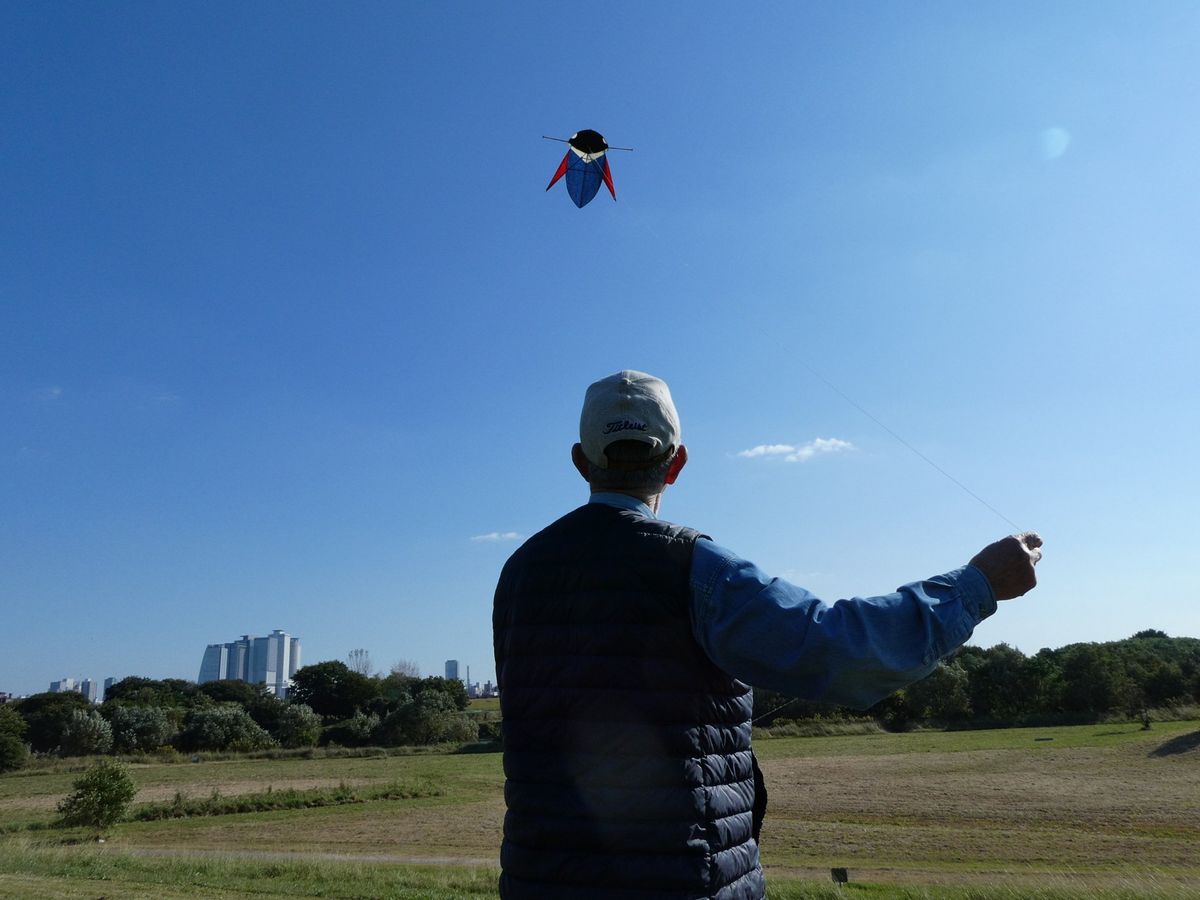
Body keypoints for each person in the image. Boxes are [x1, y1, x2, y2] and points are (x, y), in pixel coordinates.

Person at [492, 370, 1042, 900]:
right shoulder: (696, 566)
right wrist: (976, 586)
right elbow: (842, 650)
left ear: (580, 461)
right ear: (677, 463)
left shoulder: (519, 572)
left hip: (536, 879)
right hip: (685, 882)